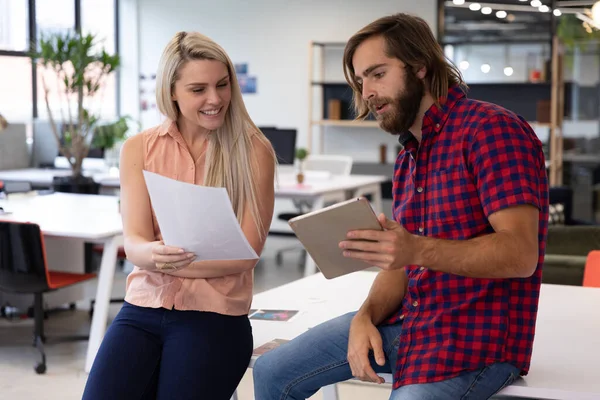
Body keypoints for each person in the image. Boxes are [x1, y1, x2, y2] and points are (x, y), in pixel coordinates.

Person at [253, 13, 549, 400]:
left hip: (475, 346)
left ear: (420, 66)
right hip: (412, 325)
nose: (367, 93)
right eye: (360, 81)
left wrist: (414, 248)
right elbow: (403, 264)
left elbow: (520, 253)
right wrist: (365, 317)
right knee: (272, 371)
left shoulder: (491, 130)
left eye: (378, 74)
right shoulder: (410, 155)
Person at [83, 31, 277, 400]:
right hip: (143, 307)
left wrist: (164, 260)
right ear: (172, 91)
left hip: (215, 316)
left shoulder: (253, 151)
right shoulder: (139, 148)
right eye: (198, 89)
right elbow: (135, 241)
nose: (215, 99)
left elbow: (245, 254)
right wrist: (151, 255)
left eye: (222, 85)